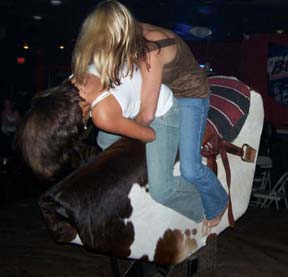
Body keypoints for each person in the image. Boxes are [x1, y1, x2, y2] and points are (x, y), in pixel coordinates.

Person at [72, 0, 228, 227]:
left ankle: (219, 200)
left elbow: (146, 114)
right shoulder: (127, 35)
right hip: (163, 91)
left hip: (189, 96)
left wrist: (125, 128)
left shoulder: (151, 49)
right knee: (105, 138)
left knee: (190, 168)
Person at [18, 67, 204, 223]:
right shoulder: (76, 77)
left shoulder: (102, 116)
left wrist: (128, 127)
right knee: (103, 140)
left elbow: (149, 134)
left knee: (161, 190)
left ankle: (202, 209)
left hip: (162, 111)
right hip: (137, 96)